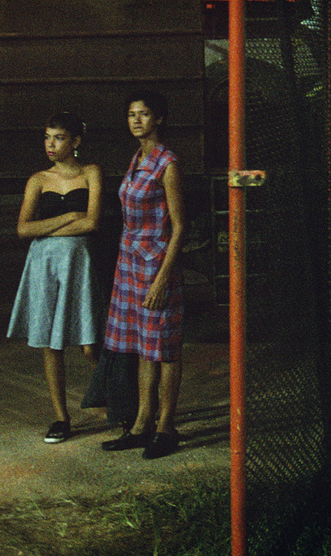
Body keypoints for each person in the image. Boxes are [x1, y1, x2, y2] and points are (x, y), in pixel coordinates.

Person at [7, 111, 103, 443]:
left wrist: (53, 226)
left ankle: (121, 399)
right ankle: (61, 418)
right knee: (51, 341)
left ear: (76, 141)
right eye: (47, 137)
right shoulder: (38, 180)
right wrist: (71, 215)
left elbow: (92, 224)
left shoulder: (91, 173)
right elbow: (24, 229)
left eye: (59, 137)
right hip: (43, 263)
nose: (51, 144)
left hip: (79, 261)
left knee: (91, 344)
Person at [101, 90, 186, 459]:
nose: (137, 120)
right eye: (132, 114)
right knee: (141, 347)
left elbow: (180, 226)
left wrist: (163, 278)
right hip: (129, 263)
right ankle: (141, 424)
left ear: (159, 119)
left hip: (156, 264)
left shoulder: (167, 163)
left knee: (164, 348)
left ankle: (166, 428)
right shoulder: (137, 158)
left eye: (145, 114)